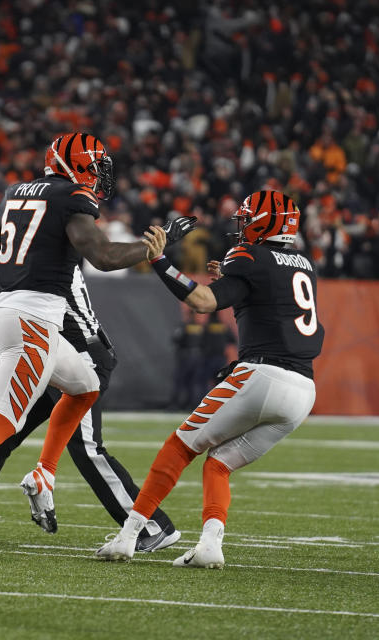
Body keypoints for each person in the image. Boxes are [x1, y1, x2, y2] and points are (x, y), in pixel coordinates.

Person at [0, 133, 195, 554]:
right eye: (95, 165)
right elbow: (102, 256)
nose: (101, 175)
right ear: (76, 166)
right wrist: (155, 246)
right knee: (6, 420)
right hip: (35, 321)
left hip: (21, 317)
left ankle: (43, 474)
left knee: (84, 386)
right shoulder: (70, 201)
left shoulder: (16, 195)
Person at [101, 190, 324, 568]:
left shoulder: (249, 256)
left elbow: (202, 301)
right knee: (218, 462)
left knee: (180, 446)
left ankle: (128, 535)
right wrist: (232, 286)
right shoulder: (303, 263)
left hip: (262, 374)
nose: (242, 226)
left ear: (265, 222)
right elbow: (270, 303)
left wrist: (159, 260)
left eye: (248, 218)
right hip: (302, 390)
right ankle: (210, 545)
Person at [0, 263, 180, 553]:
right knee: (0, 432)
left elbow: (36, 325)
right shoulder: (48, 259)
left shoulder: (51, 265)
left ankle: (153, 525)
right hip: (54, 355)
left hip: (80, 361)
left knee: (88, 448)